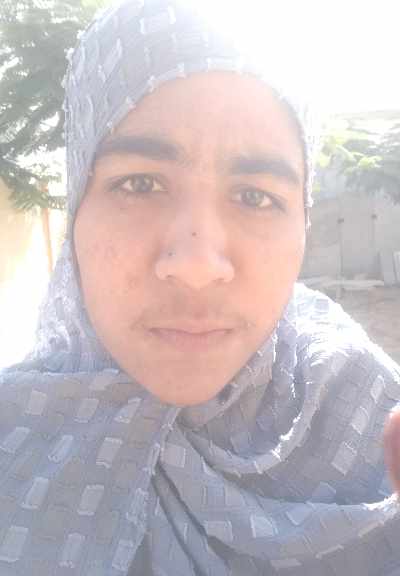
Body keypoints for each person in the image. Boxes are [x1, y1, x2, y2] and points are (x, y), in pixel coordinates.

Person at [0, 0, 399, 574]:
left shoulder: (367, 420)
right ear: (76, 210)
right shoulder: (14, 446)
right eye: (140, 184)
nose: (196, 266)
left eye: (256, 196)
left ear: (303, 223)